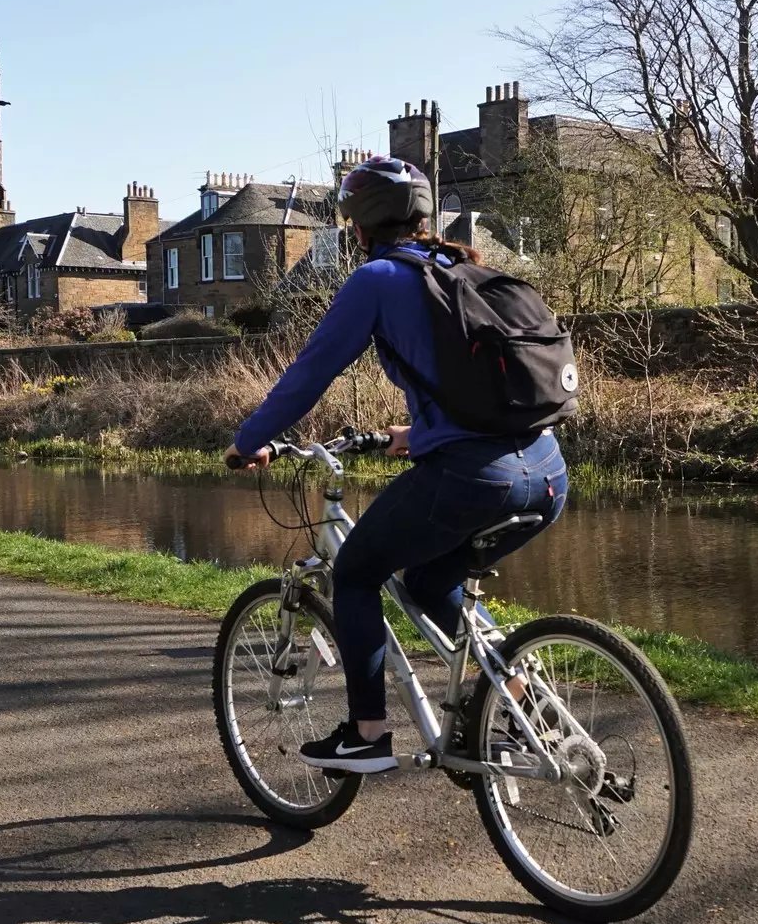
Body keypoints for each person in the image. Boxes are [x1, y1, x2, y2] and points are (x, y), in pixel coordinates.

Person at [224, 156, 569, 774]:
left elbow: (310, 374)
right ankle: (520, 707)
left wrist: (249, 439)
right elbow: (482, 387)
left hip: (474, 478)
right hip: (546, 472)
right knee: (430, 582)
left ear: (359, 224)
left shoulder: (378, 279)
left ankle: (367, 733)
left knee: (356, 573)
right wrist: (424, 431)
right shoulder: (463, 268)